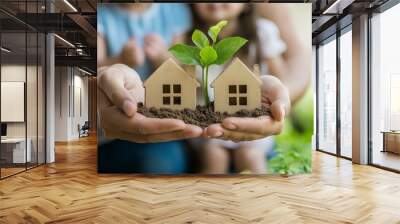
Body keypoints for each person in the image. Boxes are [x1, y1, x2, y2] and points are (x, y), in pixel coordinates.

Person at [97, 3, 203, 173]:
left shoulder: (175, 11)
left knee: (159, 163)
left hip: (162, 115)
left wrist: (163, 58)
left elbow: (184, 70)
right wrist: (121, 59)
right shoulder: (102, 14)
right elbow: (97, 68)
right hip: (113, 122)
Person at [189, 3, 292, 174]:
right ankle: (209, 199)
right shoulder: (192, 39)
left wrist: (275, 89)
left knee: (250, 156)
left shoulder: (261, 32)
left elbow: (281, 76)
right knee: (213, 156)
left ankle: (259, 197)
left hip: (252, 119)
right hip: (211, 125)